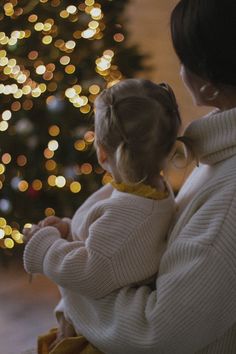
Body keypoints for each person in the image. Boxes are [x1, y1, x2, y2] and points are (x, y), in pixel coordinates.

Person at [23, 78, 182, 353]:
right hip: (86, 323)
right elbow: (103, 241)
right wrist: (67, 228)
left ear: (103, 153)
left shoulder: (134, 215)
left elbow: (89, 270)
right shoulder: (143, 192)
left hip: (96, 341)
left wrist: (45, 246)